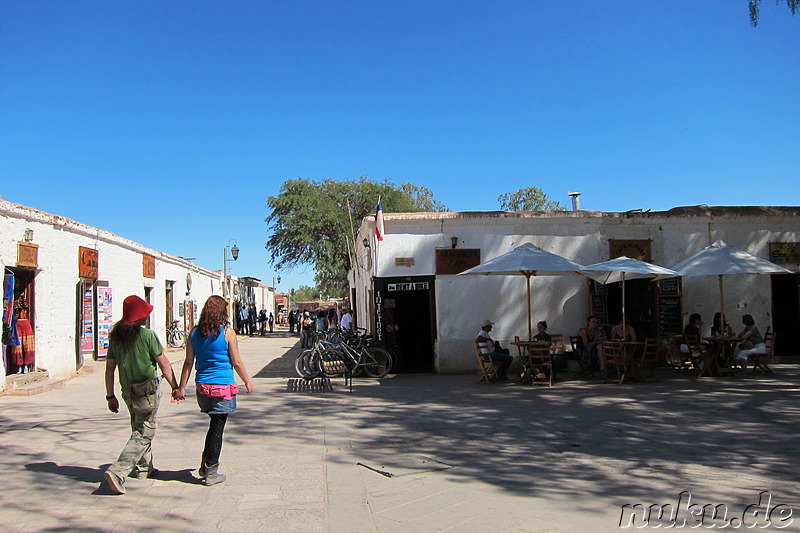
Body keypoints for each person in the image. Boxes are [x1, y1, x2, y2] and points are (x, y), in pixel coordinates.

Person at [173, 295, 253, 486]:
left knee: (214, 425)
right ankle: (211, 470)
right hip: (223, 387)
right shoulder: (228, 333)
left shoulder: (193, 333)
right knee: (217, 428)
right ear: (221, 312)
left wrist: (181, 387)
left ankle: (205, 465)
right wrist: (247, 381)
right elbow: (237, 361)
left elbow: (188, 362)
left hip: (202, 387)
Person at [103, 295, 179, 495]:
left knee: (138, 426)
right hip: (147, 391)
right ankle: (118, 471)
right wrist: (175, 386)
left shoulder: (116, 338)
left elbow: (110, 369)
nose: (147, 317)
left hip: (127, 391)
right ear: (138, 317)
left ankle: (145, 469)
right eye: (144, 313)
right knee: (145, 432)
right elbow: (163, 363)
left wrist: (110, 396)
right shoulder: (148, 336)